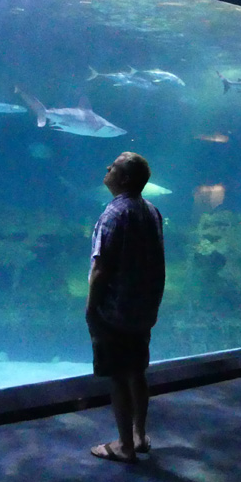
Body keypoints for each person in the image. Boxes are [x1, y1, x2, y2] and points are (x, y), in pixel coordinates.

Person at [87, 151, 166, 464]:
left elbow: (100, 268)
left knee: (119, 375)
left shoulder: (113, 214)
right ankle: (139, 435)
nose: (107, 167)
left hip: (115, 311)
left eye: (114, 166)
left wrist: (92, 308)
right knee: (137, 372)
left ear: (125, 178)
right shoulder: (152, 211)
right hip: (143, 309)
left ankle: (123, 445)